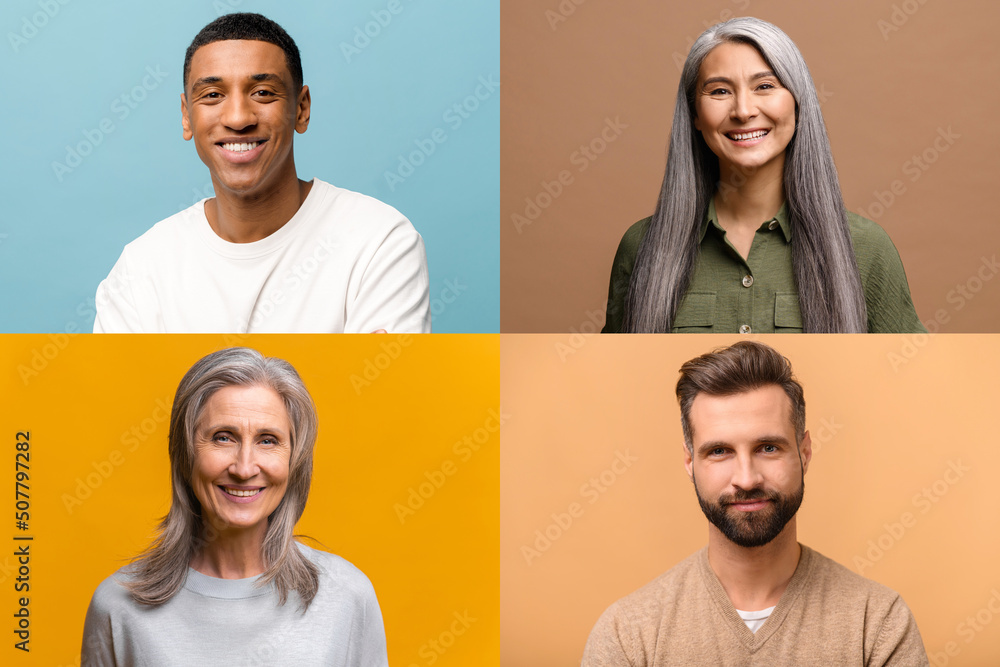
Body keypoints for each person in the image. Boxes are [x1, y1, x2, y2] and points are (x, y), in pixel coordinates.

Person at [581, 341, 929, 665]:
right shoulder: (627, 634)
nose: (746, 479)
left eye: (768, 448)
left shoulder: (879, 623)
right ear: (690, 463)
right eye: (719, 452)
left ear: (804, 453)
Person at [93, 13, 430, 333]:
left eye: (263, 93)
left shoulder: (378, 242)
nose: (239, 118)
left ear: (301, 109)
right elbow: (118, 395)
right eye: (212, 95)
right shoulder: (141, 269)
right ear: (186, 116)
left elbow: (381, 394)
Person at [602, 17, 923, 333]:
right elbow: (613, 379)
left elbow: (914, 377)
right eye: (719, 91)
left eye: (765, 86)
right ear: (695, 115)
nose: (743, 110)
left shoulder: (865, 248)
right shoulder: (642, 245)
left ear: (798, 104)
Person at [81, 347, 389, 666]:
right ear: (185, 453)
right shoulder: (117, 606)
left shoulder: (348, 596)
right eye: (223, 438)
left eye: (267, 440)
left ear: (294, 461)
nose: (244, 469)